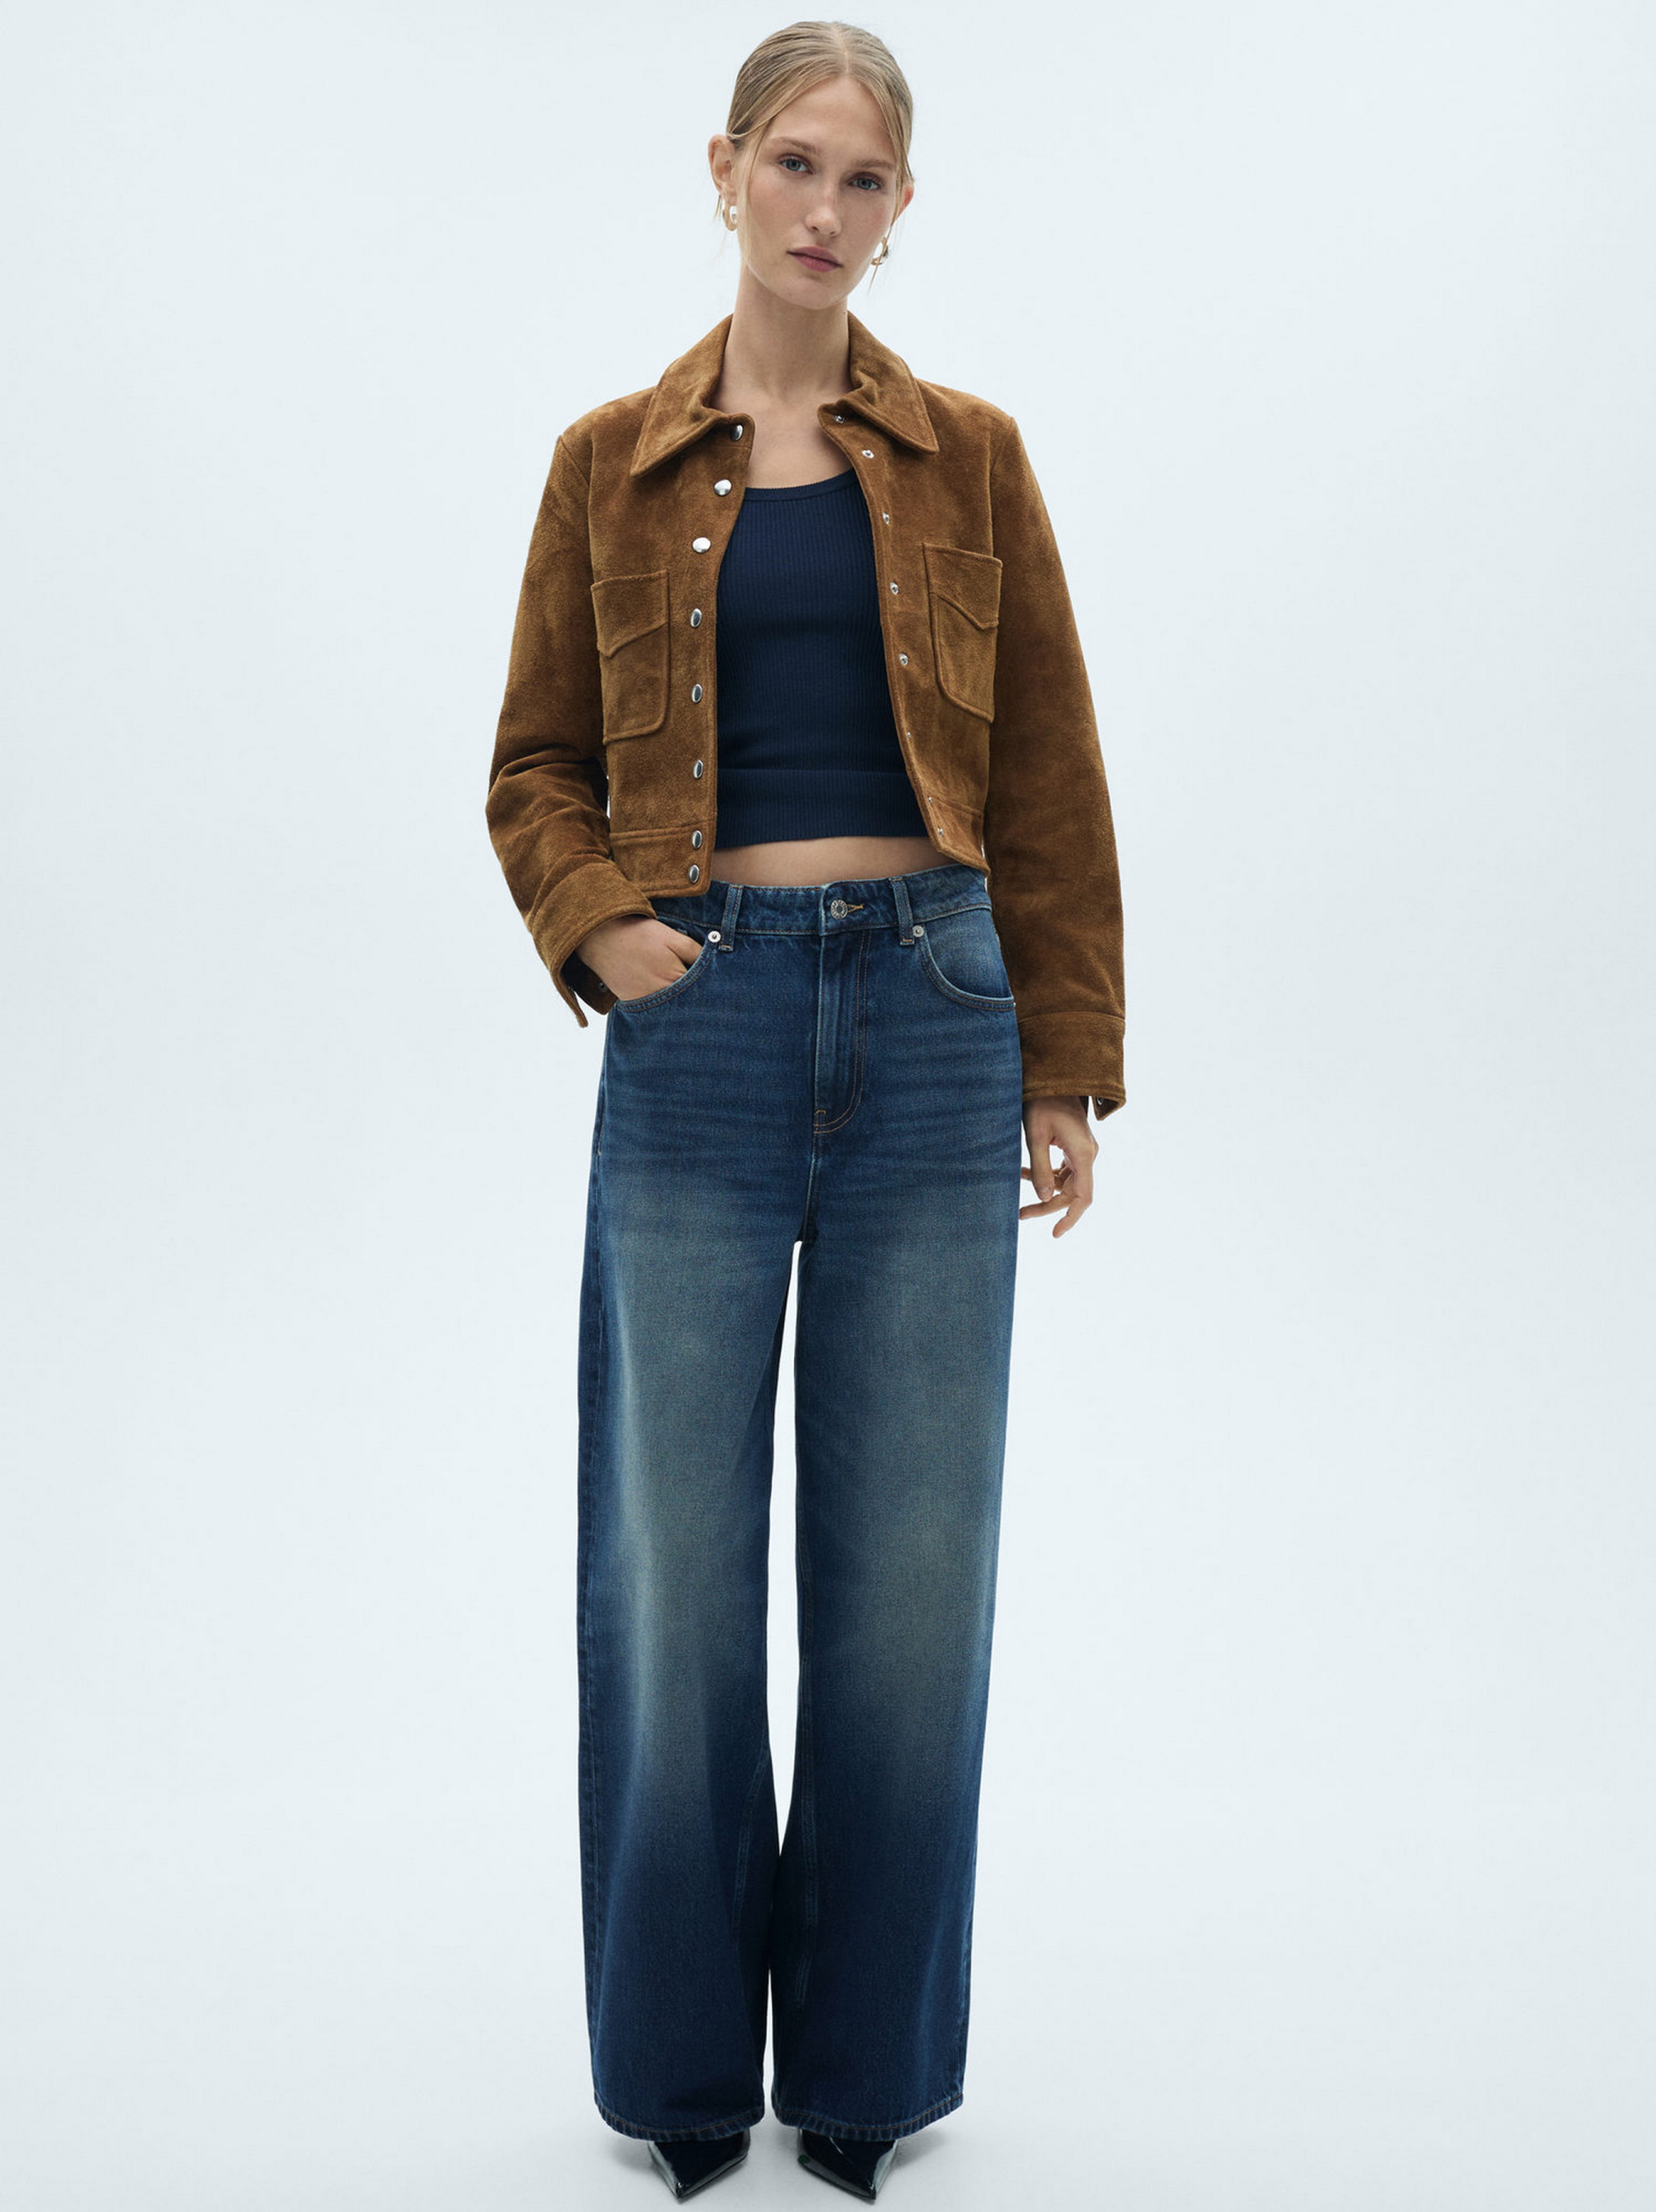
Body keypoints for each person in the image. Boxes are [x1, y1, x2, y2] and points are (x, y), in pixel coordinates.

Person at [485, 20, 1125, 2201]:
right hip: (702, 1022)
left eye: (864, 179)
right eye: (794, 164)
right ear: (725, 169)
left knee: (910, 1576)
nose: (824, 209)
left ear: (901, 207)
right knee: (669, 1572)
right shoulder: (605, 463)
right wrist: (606, 927)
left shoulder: (971, 457)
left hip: (937, 1011)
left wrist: (1062, 1057)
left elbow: (1044, 767)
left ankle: (862, 2072)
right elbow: (534, 763)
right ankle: (680, 2077)